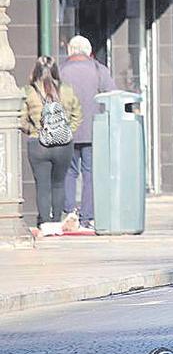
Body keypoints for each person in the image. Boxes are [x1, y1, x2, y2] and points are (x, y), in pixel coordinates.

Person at [59, 36, 117, 230]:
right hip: (94, 131)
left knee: (69, 172)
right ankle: (87, 216)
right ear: (89, 51)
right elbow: (111, 95)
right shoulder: (99, 70)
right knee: (91, 173)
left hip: (67, 131)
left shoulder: (61, 71)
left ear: (70, 51)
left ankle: (68, 211)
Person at [19, 57, 83, 235]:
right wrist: (67, 131)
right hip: (63, 145)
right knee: (58, 184)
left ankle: (45, 223)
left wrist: (33, 130)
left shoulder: (28, 91)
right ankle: (56, 222)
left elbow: (21, 118)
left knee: (43, 185)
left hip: (38, 144)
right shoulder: (67, 90)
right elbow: (78, 114)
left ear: (35, 71)